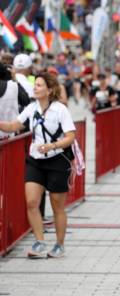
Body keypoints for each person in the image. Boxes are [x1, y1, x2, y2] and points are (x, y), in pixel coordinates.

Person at [0, 72, 77, 258]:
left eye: (39, 85)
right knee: (32, 202)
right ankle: (39, 242)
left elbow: (70, 136)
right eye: (35, 85)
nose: (35, 88)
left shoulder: (60, 109)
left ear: (49, 90)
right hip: (35, 161)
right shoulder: (31, 108)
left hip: (58, 160)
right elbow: (13, 126)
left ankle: (59, 245)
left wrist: (53, 145)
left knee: (57, 206)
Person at [0, 63, 30, 138]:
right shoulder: (13, 85)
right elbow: (26, 101)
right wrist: (14, 79)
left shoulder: (12, 85)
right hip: (10, 135)